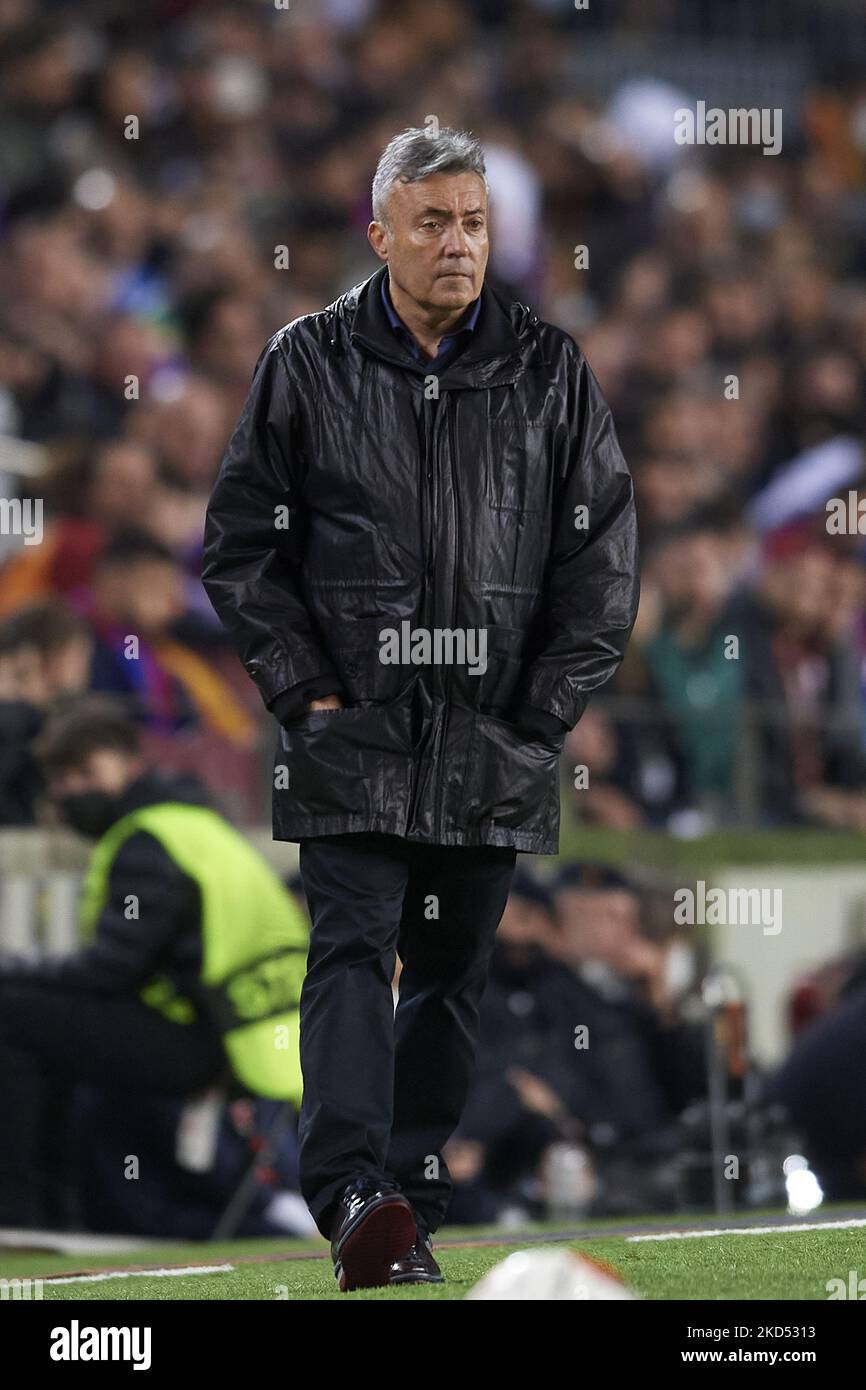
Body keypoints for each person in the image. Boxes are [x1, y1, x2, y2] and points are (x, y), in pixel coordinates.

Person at [202, 126, 639, 1290]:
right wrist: (304, 690)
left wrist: (539, 717)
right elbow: (242, 546)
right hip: (350, 731)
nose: (458, 243)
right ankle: (350, 1188)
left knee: (448, 976)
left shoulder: (551, 370)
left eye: (475, 222)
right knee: (350, 950)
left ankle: (403, 1194)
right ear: (380, 229)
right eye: (435, 221)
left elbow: (599, 563)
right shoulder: (304, 361)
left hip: (491, 740)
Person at [0, 697, 309, 1107]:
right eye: (60, 780)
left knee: (12, 1010)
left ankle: (27, 1173)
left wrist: (15, 966)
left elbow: (110, 971)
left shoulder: (147, 841)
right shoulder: (197, 822)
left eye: (85, 772)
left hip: (211, 1036)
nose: (71, 790)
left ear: (131, 762)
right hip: (268, 1029)